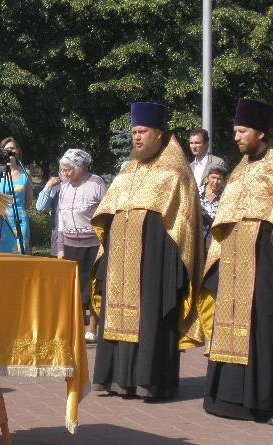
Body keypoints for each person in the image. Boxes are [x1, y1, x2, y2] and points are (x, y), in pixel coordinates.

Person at [202, 99, 273, 426]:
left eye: (242, 131)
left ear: (260, 132)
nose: (236, 137)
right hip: (235, 263)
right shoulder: (239, 170)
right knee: (235, 327)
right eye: (235, 131)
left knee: (268, 327)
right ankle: (231, 399)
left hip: (269, 264)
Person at [91, 102, 204, 400]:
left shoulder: (175, 173)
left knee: (150, 316)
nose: (136, 138)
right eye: (134, 133)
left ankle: (149, 380)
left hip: (156, 260)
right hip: (120, 260)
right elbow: (107, 212)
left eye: (142, 132)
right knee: (117, 313)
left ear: (159, 134)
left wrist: (172, 266)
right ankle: (115, 378)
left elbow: (185, 224)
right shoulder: (128, 170)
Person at [37, 149, 107, 342]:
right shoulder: (64, 187)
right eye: (62, 170)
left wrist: (105, 243)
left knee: (93, 287)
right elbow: (61, 218)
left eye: (68, 169)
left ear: (81, 167)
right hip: (69, 243)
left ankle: (92, 329)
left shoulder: (97, 183)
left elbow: (106, 214)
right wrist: (60, 248)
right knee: (72, 288)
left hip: (93, 244)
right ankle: (73, 328)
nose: (65, 173)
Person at [0, 137, 33, 254]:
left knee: (19, 252)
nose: (9, 151)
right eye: (6, 149)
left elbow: (28, 202)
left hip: (19, 220)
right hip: (0, 220)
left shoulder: (25, 173)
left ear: (18, 151)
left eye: (12, 148)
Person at [199, 163, 228, 250]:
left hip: (215, 244)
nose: (215, 182)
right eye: (213, 177)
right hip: (196, 240)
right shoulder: (195, 193)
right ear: (208, 177)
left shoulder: (226, 197)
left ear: (224, 181)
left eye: (219, 179)